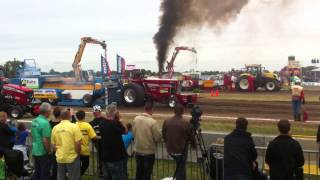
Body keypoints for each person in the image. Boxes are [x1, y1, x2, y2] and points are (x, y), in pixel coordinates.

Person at [162, 103, 194, 180]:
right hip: (181, 151)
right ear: (183, 112)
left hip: (170, 150)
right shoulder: (186, 123)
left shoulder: (166, 121)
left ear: (174, 111)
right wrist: (194, 145)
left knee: (180, 168)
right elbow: (192, 138)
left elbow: (164, 135)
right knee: (181, 170)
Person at [132, 101, 162, 180]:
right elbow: (158, 137)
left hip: (138, 150)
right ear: (152, 109)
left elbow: (133, 133)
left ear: (144, 109)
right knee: (147, 173)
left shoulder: (136, 119)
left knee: (139, 172)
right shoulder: (153, 122)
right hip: (148, 152)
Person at [51, 109, 82, 180]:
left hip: (60, 157)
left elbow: (53, 144)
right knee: (74, 177)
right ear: (70, 116)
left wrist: (58, 151)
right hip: (72, 156)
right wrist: (77, 153)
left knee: (60, 177)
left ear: (61, 117)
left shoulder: (55, 128)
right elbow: (78, 143)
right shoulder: (74, 126)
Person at [99, 103, 127, 180]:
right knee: (117, 176)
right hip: (116, 157)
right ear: (115, 113)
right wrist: (120, 120)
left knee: (107, 177)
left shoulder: (101, 123)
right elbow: (125, 131)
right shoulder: (116, 123)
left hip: (105, 156)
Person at [31, 102, 52, 180]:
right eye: (50, 111)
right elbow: (45, 139)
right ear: (47, 112)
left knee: (37, 172)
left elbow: (33, 134)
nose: (50, 112)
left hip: (35, 149)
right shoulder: (45, 123)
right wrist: (49, 151)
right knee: (45, 173)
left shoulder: (34, 121)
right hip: (43, 151)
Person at [75, 110, 98, 176]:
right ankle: (78, 175)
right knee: (85, 165)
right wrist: (102, 137)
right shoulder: (87, 125)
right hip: (85, 150)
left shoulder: (74, 125)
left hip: (75, 149)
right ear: (84, 117)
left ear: (77, 117)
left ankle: (76, 176)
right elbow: (94, 137)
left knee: (76, 165)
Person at [90, 105, 104, 174]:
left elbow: (91, 136)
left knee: (100, 157)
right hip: (105, 143)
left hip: (98, 144)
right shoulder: (105, 120)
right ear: (100, 111)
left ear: (93, 113)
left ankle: (101, 171)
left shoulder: (91, 124)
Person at [50, 106, 61, 180]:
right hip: (61, 146)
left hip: (53, 146)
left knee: (54, 165)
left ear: (53, 114)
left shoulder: (50, 123)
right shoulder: (61, 123)